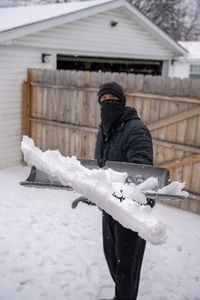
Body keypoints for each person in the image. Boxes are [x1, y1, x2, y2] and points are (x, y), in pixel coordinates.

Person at [95, 82, 153, 300]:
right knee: (112, 260)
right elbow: (100, 168)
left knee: (126, 270)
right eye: (103, 99)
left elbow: (142, 173)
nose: (106, 103)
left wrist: (121, 195)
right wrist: (95, 191)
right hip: (109, 207)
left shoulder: (135, 129)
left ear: (121, 101)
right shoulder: (103, 131)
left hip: (131, 211)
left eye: (112, 98)